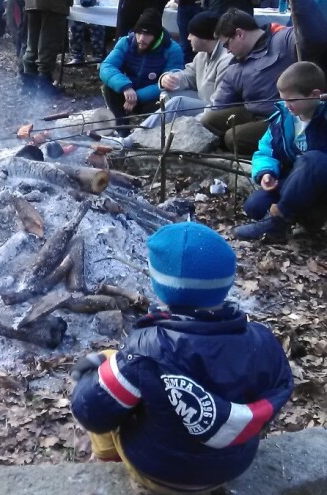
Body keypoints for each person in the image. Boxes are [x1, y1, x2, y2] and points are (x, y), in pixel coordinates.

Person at [71, 222, 293, 494]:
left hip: (158, 473)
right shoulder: (263, 342)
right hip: (231, 466)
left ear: (161, 288)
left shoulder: (146, 349)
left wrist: (86, 375)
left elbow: (91, 412)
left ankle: (107, 462)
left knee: (108, 366)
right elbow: (279, 389)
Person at [201, 2, 327, 155]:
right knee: (208, 121)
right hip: (250, 112)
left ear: (240, 34)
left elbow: (312, 36)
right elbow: (221, 103)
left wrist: (300, 5)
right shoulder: (235, 66)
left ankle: (275, 152)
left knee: (234, 137)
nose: (227, 52)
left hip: (282, 114)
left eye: (227, 45)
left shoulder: (282, 39)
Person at [234, 62, 327, 241]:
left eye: (291, 100)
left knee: (311, 160)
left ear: (315, 95)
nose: (286, 105)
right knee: (255, 206)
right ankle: (308, 218)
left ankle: (278, 221)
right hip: (295, 182)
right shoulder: (282, 118)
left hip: (321, 180)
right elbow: (266, 150)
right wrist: (265, 173)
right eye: (283, 99)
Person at [123, 11, 231, 143]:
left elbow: (220, 105)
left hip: (216, 112)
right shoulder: (202, 55)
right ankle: (154, 136)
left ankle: (131, 140)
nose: (188, 38)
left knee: (178, 102)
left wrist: (189, 125)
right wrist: (168, 78)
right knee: (168, 92)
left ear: (204, 37)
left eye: (192, 33)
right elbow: (188, 75)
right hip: (204, 101)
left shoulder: (226, 61)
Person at [99, 8, 184, 134]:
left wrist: (137, 96)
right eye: (139, 33)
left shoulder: (171, 49)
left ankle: (148, 133)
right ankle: (122, 130)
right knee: (108, 88)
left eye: (148, 34)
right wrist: (125, 87)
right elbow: (106, 67)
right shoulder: (126, 42)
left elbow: (171, 83)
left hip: (150, 98)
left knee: (165, 101)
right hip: (128, 92)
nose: (141, 39)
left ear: (156, 36)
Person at [21, 0, 71, 94]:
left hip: (32, 3)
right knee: (48, 43)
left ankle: (29, 84)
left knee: (32, 43)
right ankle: (43, 86)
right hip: (53, 5)